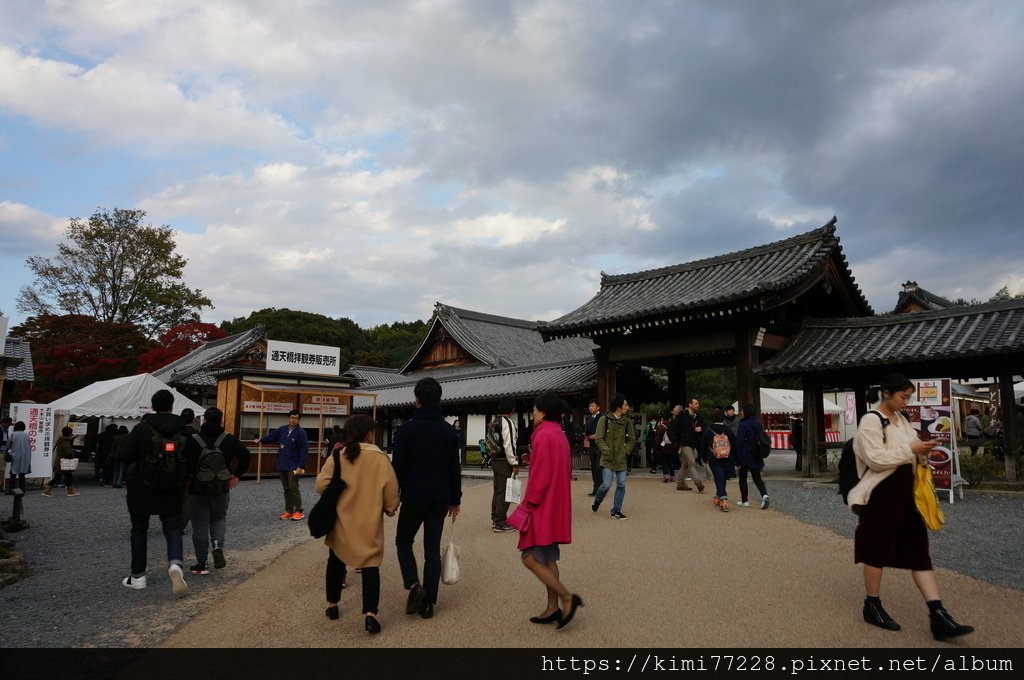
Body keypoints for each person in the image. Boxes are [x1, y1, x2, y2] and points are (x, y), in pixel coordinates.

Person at [848, 373, 973, 641]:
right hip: (880, 495)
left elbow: (908, 451)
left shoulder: (902, 421)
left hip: (906, 495)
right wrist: (911, 449)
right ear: (887, 393)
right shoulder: (871, 420)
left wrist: (922, 452)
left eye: (909, 397)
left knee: (919, 551)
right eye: (903, 397)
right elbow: (875, 458)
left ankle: (938, 614)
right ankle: (872, 604)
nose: (907, 402)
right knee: (876, 550)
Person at [316, 414, 399, 634]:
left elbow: (320, 485)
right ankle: (370, 615)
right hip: (369, 523)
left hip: (342, 522)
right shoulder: (380, 458)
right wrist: (390, 508)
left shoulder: (338, 454)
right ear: (370, 433)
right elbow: (391, 492)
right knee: (371, 566)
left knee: (335, 561)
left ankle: (332, 605)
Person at [391, 377, 461, 619]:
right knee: (432, 550)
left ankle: (414, 586)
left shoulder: (406, 431)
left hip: (414, 497)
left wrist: (393, 496)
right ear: (439, 400)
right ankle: (429, 603)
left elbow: (397, 469)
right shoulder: (449, 433)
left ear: (417, 400)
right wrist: (456, 499)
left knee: (403, 542)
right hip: (440, 498)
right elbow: (455, 468)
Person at [517, 393, 582, 629]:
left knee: (530, 558)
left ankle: (566, 597)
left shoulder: (543, 435)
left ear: (543, 412)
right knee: (548, 556)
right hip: (555, 504)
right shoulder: (559, 435)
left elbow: (541, 478)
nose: (533, 413)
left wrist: (528, 503)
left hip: (542, 506)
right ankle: (552, 607)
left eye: (534, 409)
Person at [120, 389, 190, 598]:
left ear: (153, 406)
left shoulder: (142, 428)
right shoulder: (183, 430)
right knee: (173, 528)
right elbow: (190, 458)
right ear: (171, 406)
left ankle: (138, 576)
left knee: (139, 529)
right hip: (173, 487)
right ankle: (175, 564)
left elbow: (125, 455)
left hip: (142, 487)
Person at [184, 407, 251, 575]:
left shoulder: (193, 439)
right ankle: (217, 546)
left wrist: (188, 478)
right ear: (221, 421)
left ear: (204, 420)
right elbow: (245, 455)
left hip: (197, 489)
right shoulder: (228, 439)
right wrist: (236, 475)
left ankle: (201, 564)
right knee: (219, 518)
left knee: (199, 524)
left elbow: (184, 461)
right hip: (221, 487)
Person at [254, 409, 308, 521]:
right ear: (289, 418)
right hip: (282, 463)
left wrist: (300, 466)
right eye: (292, 417)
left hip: (294, 465)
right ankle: (289, 511)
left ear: (298, 420)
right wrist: (261, 439)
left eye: (296, 418)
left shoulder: (301, 433)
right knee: (286, 489)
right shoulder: (282, 429)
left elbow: (304, 451)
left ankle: (298, 511)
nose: (293, 420)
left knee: (294, 488)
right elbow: (271, 436)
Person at [591, 393, 632, 520]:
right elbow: (599, 438)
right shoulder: (605, 419)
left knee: (621, 484)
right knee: (606, 484)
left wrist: (626, 450)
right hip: (608, 458)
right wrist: (606, 450)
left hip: (621, 457)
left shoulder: (627, 421)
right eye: (625, 404)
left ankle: (616, 510)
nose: (627, 407)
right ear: (619, 407)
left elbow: (632, 439)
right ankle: (597, 500)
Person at [489, 397, 520, 533]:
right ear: (512, 409)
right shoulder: (508, 423)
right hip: (504, 461)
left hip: (495, 460)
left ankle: (495, 518)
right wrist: (514, 462)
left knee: (497, 490)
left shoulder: (493, 422)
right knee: (504, 492)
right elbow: (509, 445)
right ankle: (500, 522)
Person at [701, 407, 737, 512]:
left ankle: (724, 500)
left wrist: (704, 458)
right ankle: (718, 497)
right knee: (722, 478)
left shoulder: (708, 431)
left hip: (714, 457)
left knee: (718, 477)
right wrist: (736, 459)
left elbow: (703, 445)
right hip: (727, 457)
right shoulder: (728, 430)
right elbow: (734, 445)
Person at [735, 402, 770, 509]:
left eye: (742, 410)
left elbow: (739, 442)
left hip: (745, 454)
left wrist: (737, 459)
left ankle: (745, 500)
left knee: (742, 477)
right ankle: (764, 495)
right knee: (757, 478)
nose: (741, 412)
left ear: (746, 412)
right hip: (756, 453)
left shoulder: (743, 424)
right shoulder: (757, 423)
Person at [668, 399, 705, 493]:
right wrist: (678, 439)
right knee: (692, 462)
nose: (698, 405)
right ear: (690, 405)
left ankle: (680, 484)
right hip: (684, 443)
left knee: (685, 464)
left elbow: (704, 426)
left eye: (698, 403)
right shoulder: (682, 415)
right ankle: (698, 483)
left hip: (693, 443)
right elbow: (673, 427)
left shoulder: (697, 416)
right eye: (696, 403)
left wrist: (701, 428)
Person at [42, 427, 79, 497]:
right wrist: (73, 451)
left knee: (60, 476)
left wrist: (73, 438)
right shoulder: (66, 442)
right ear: (70, 434)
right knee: (66, 476)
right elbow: (68, 453)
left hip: (59, 461)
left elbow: (68, 440)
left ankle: (48, 489)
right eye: (72, 433)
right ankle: (70, 491)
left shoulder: (62, 439)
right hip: (64, 463)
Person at [582, 399, 602, 496]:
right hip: (592, 445)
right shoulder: (589, 419)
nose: (590, 408)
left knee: (599, 468)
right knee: (593, 467)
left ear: (598, 407)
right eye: (590, 406)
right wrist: (586, 436)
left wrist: (596, 435)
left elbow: (603, 432)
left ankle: (600, 488)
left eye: (593, 406)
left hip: (599, 445)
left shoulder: (602, 418)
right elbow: (587, 430)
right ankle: (595, 488)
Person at [7, 421, 31, 495]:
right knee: (22, 474)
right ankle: (22, 489)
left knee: (13, 474)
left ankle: (12, 489)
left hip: (15, 456)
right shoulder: (27, 435)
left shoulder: (13, 435)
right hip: (25, 457)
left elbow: (8, 446)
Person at [653, 409, 676, 482]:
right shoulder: (672, 426)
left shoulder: (660, 427)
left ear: (662, 418)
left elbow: (657, 438)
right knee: (671, 461)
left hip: (663, 447)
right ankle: (672, 476)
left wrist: (656, 448)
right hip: (672, 447)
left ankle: (666, 475)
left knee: (664, 462)